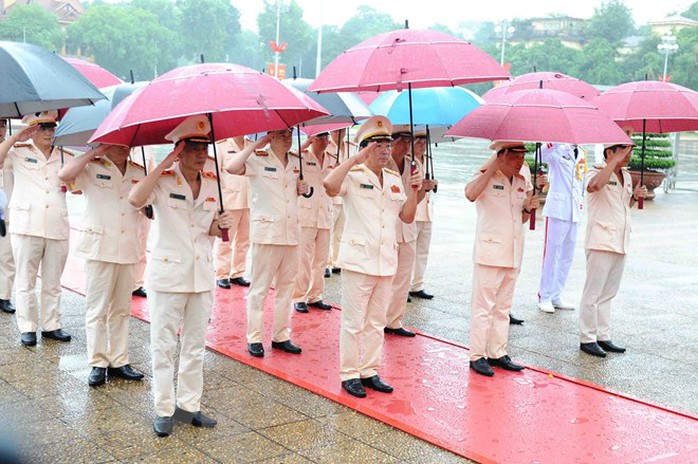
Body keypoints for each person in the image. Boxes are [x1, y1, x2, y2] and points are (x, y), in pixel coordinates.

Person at [128, 115, 234, 437]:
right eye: (193, 147)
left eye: (204, 147)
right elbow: (135, 199)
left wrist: (222, 225)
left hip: (200, 274)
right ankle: (163, 408)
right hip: (168, 275)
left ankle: (189, 406)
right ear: (180, 149)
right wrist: (164, 164)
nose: (201, 154)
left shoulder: (214, 183)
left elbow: (208, 229)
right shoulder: (162, 180)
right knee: (162, 346)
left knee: (194, 345)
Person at [324, 116, 421, 398]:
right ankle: (349, 374)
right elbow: (329, 186)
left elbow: (407, 215)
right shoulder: (352, 177)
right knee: (353, 322)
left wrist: (414, 190)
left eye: (388, 145)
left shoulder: (392, 179)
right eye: (379, 145)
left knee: (376, 321)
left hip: (385, 260)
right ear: (365, 148)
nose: (386, 150)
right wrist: (353, 160)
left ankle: (369, 370)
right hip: (358, 260)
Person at [59, 143, 147, 386]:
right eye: (116, 143)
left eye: (126, 143)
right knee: (97, 309)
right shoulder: (91, 166)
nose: (123, 148)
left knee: (121, 309)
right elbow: (64, 175)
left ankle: (119, 360)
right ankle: (97, 361)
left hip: (127, 247)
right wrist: (93, 153)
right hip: (99, 247)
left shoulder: (139, 172)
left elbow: (147, 203)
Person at [225, 129, 308, 358]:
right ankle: (255, 337)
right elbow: (232, 167)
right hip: (267, 233)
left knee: (287, 287)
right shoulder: (258, 159)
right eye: (281, 134)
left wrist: (304, 190)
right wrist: (257, 144)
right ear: (271, 136)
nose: (287, 137)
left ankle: (281, 335)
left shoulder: (295, 161)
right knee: (260, 288)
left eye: (290, 133)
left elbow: (296, 192)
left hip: (290, 233)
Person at [465, 141, 539, 377]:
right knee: (483, 306)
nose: (521, 162)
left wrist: (528, 209)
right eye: (516, 156)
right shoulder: (487, 177)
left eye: (523, 156)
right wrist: (491, 167)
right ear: (503, 156)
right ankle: (478, 354)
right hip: (490, 252)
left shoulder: (521, 182)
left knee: (503, 307)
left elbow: (521, 220)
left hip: (513, 252)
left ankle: (498, 351)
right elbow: (470, 194)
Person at [0, 111, 72, 346]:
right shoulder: (18, 153)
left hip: (56, 224)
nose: (49, 133)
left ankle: (51, 324)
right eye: (43, 128)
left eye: (52, 128)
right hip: (26, 224)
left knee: (53, 281)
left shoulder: (65, 155)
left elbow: (77, 183)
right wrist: (15, 138)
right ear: (31, 130)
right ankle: (27, 327)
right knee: (25, 280)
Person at [578, 142, 646, 358]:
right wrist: (612, 163)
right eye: (623, 150)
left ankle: (603, 336)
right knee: (593, 292)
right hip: (601, 240)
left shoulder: (626, 176)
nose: (629, 154)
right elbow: (593, 187)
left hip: (620, 240)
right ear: (609, 152)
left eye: (630, 150)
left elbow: (624, 207)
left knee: (608, 293)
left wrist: (635, 196)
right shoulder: (596, 171)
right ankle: (587, 338)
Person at [384, 127, 430, 337]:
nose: (407, 144)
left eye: (409, 140)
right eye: (403, 140)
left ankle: (394, 320)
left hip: (408, 228)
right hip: (388, 227)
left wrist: (420, 188)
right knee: (385, 278)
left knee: (403, 278)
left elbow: (416, 199)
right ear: (392, 141)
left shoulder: (415, 164)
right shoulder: (383, 164)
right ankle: (379, 318)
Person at [537, 144, 587, 313]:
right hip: (557, 209)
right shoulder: (556, 149)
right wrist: (554, 141)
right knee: (552, 254)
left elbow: (579, 181)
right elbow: (540, 155)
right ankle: (544, 296)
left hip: (574, 210)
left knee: (567, 255)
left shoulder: (581, 152)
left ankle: (557, 295)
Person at [292, 132, 336, 312]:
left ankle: (315, 295)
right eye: (320, 137)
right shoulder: (302, 157)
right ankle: (299, 296)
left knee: (321, 260)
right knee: (303, 258)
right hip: (307, 215)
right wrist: (304, 144)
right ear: (313, 139)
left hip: (325, 213)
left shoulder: (333, 159)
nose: (325, 141)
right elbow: (289, 159)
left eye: (327, 137)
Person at [214, 136, 251, 289]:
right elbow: (216, 173)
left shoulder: (251, 145)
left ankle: (238, 272)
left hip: (249, 199)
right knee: (225, 240)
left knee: (244, 240)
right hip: (229, 199)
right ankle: (222, 273)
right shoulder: (222, 145)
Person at [409, 127, 437, 300]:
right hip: (414, 210)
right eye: (418, 140)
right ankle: (404, 286)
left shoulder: (428, 160)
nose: (422, 144)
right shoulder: (409, 161)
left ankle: (417, 284)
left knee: (423, 251)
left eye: (424, 140)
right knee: (408, 252)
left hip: (427, 211)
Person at [0, 118, 16, 315]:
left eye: (3, 123)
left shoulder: (15, 152)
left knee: (6, 256)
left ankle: (4, 296)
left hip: (8, 213)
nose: (0, 128)